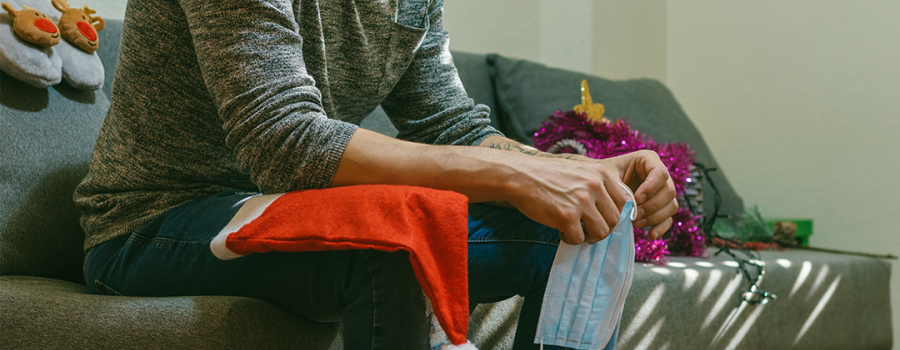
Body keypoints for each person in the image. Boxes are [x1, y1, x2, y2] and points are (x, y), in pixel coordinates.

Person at [75, 0, 678, 348]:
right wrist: (514, 177)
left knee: (572, 230)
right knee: (390, 241)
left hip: (283, 207)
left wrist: (576, 173)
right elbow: (282, 139)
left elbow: (452, 123)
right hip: (153, 222)